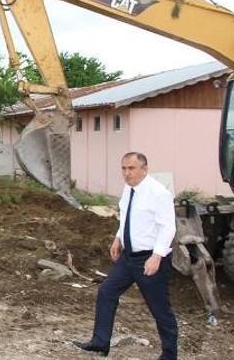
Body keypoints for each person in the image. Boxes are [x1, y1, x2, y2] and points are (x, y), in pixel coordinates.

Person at [74, 152, 177, 359]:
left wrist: (156, 256)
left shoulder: (158, 193)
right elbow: (127, 218)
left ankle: (169, 354)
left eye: (131, 168)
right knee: (106, 292)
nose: (126, 173)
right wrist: (118, 238)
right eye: (124, 168)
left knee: (160, 310)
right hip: (128, 258)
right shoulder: (128, 189)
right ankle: (100, 342)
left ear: (144, 169)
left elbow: (168, 228)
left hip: (149, 259)